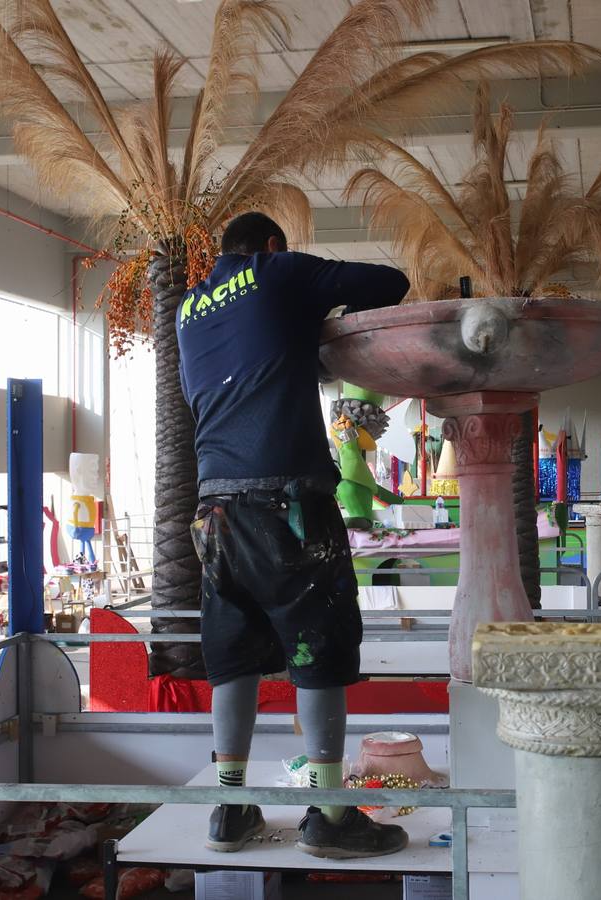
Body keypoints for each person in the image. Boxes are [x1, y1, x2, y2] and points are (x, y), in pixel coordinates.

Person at [176, 211, 411, 859]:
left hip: (213, 512)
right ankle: (331, 818)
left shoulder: (190, 307)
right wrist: (311, 299)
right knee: (320, 647)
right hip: (287, 503)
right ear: (273, 245)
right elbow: (389, 283)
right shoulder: (278, 270)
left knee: (235, 652)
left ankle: (230, 807)